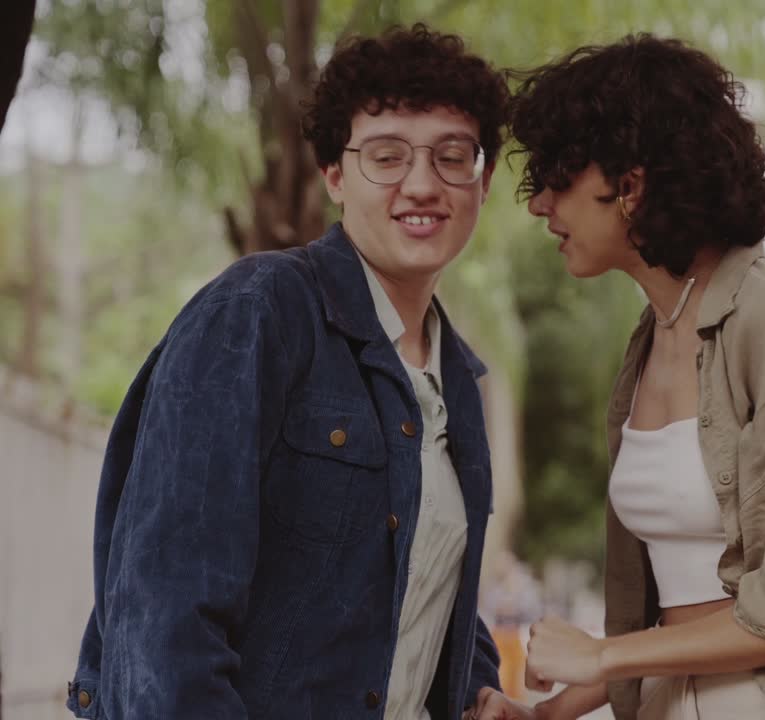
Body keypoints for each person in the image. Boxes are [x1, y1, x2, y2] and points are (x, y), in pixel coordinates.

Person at [66, 24, 529, 720]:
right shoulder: (258, 314)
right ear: (335, 176)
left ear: (484, 180)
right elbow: (164, 615)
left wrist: (476, 691)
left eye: (452, 156)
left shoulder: (455, 379)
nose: (422, 184)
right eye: (386, 155)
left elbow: (408, 584)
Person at [509, 35, 765, 720]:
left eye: (559, 178)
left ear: (630, 186)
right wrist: (543, 714)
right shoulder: (653, 337)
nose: (540, 205)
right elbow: (682, 613)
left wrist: (603, 654)